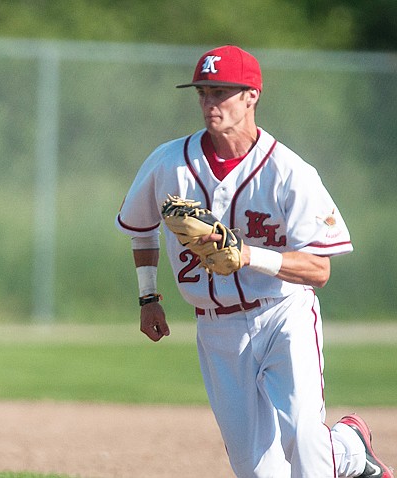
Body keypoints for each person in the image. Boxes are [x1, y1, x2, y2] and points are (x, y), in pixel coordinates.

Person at [115, 45, 393, 477]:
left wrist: (248, 256)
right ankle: (350, 451)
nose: (210, 103)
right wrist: (148, 296)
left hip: (283, 314)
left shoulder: (288, 171)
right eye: (204, 92)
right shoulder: (169, 162)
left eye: (222, 92)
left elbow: (319, 269)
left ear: (251, 95)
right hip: (216, 326)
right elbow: (140, 226)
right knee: (257, 471)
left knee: (305, 443)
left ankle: (349, 448)